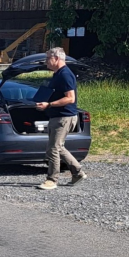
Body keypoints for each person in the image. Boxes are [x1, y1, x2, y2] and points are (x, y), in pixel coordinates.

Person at [34, 47, 87, 190]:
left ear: (56, 58)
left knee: (53, 149)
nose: (46, 62)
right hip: (57, 116)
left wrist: (49, 104)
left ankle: (52, 180)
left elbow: (70, 98)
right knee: (58, 147)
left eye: (47, 59)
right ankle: (78, 173)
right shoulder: (58, 74)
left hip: (63, 117)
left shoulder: (65, 74)